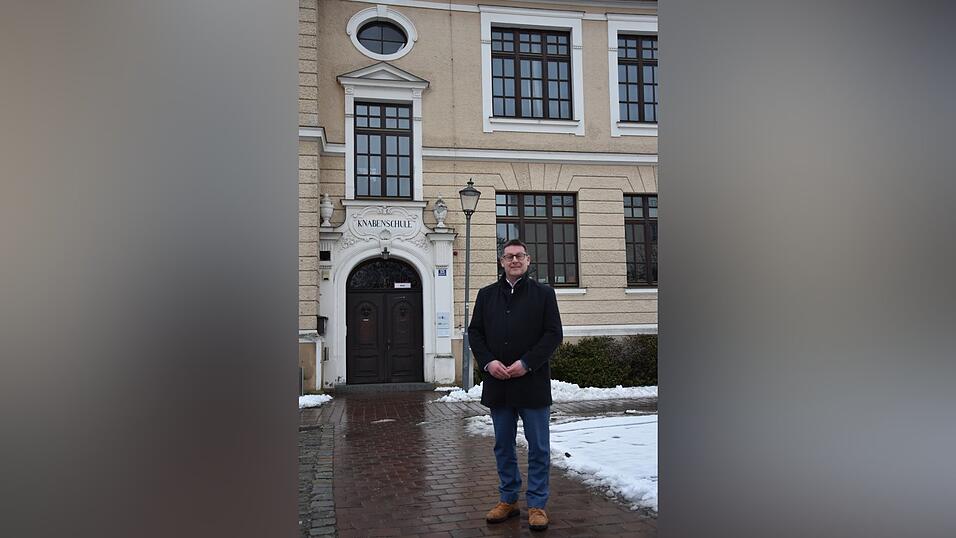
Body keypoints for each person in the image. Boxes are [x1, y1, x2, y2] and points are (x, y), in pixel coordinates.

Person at [468, 238, 563, 531]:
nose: (514, 261)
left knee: (539, 447)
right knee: (503, 446)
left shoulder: (544, 294)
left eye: (519, 256)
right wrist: (488, 363)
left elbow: (553, 334)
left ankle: (536, 505)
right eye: (508, 256)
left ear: (528, 260)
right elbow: (475, 333)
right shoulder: (486, 295)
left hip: (531, 383)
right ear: (501, 262)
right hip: (499, 384)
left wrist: (526, 363)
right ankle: (508, 500)